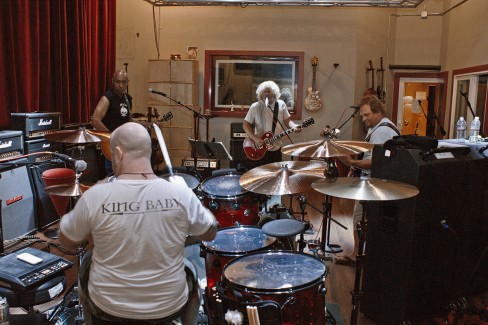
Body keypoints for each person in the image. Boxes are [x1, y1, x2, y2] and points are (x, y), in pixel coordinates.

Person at [58, 122, 218, 324]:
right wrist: (187, 195)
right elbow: (210, 232)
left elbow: (66, 241)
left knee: (85, 267)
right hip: (168, 306)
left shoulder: (96, 195)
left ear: (117, 153)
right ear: (149, 151)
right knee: (191, 271)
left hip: (109, 307)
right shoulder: (180, 192)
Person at [335, 95, 400, 265]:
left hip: (374, 183)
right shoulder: (376, 127)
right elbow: (369, 153)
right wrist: (353, 167)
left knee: (360, 219)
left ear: (378, 112)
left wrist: (351, 162)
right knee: (362, 219)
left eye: (366, 115)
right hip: (371, 181)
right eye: (362, 116)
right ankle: (361, 254)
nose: (363, 119)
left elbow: (376, 162)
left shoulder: (382, 131)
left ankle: (357, 256)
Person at [243, 80, 301, 166]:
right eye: (264, 92)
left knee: (275, 174)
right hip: (259, 147)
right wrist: (255, 139)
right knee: (260, 175)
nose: (266, 94)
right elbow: (245, 125)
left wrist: (294, 126)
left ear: (274, 93)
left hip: (276, 147)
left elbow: (287, 121)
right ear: (260, 94)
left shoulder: (281, 105)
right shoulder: (255, 106)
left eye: (269, 91)